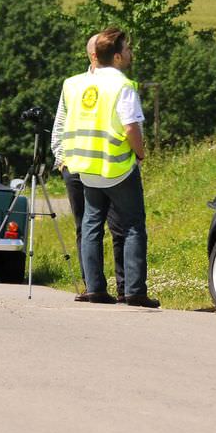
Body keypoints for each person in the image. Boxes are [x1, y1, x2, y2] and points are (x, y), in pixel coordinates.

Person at [61, 27, 159, 308]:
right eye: (127, 49)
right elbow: (130, 127)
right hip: (116, 166)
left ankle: (94, 288)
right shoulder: (122, 86)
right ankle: (135, 291)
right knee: (132, 226)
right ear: (116, 57)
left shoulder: (74, 84)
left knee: (91, 225)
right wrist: (140, 153)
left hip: (85, 166)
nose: (130, 53)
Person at [51, 34, 129, 302]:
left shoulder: (116, 83)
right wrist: (60, 159)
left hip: (109, 165)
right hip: (75, 167)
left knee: (119, 227)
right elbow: (61, 122)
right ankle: (93, 286)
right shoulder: (74, 84)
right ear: (94, 54)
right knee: (86, 227)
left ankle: (124, 288)